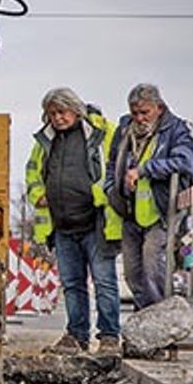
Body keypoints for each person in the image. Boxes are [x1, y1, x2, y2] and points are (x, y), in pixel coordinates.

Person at [25, 87, 123, 355]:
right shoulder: (45, 141)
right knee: (71, 285)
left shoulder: (102, 133)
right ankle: (77, 336)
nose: (57, 118)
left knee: (104, 281)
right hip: (62, 226)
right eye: (52, 114)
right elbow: (32, 172)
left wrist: (96, 193)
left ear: (75, 110)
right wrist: (37, 194)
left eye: (62, 112)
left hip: (95, 223)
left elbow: (118, 167)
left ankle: (110, 337)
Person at [106, 83, 193, 310]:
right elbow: (112, 162)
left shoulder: (176, 130)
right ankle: (143, 316)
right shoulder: (124, 130)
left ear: (159, 107)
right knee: (132, 272)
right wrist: (111, 188)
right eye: (135, 113)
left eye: (144, 112)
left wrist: (145, 169)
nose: (139, 118)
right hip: (129, 212)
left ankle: (157, 319)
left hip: (160, 212)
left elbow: (185, 162)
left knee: (153, 268)